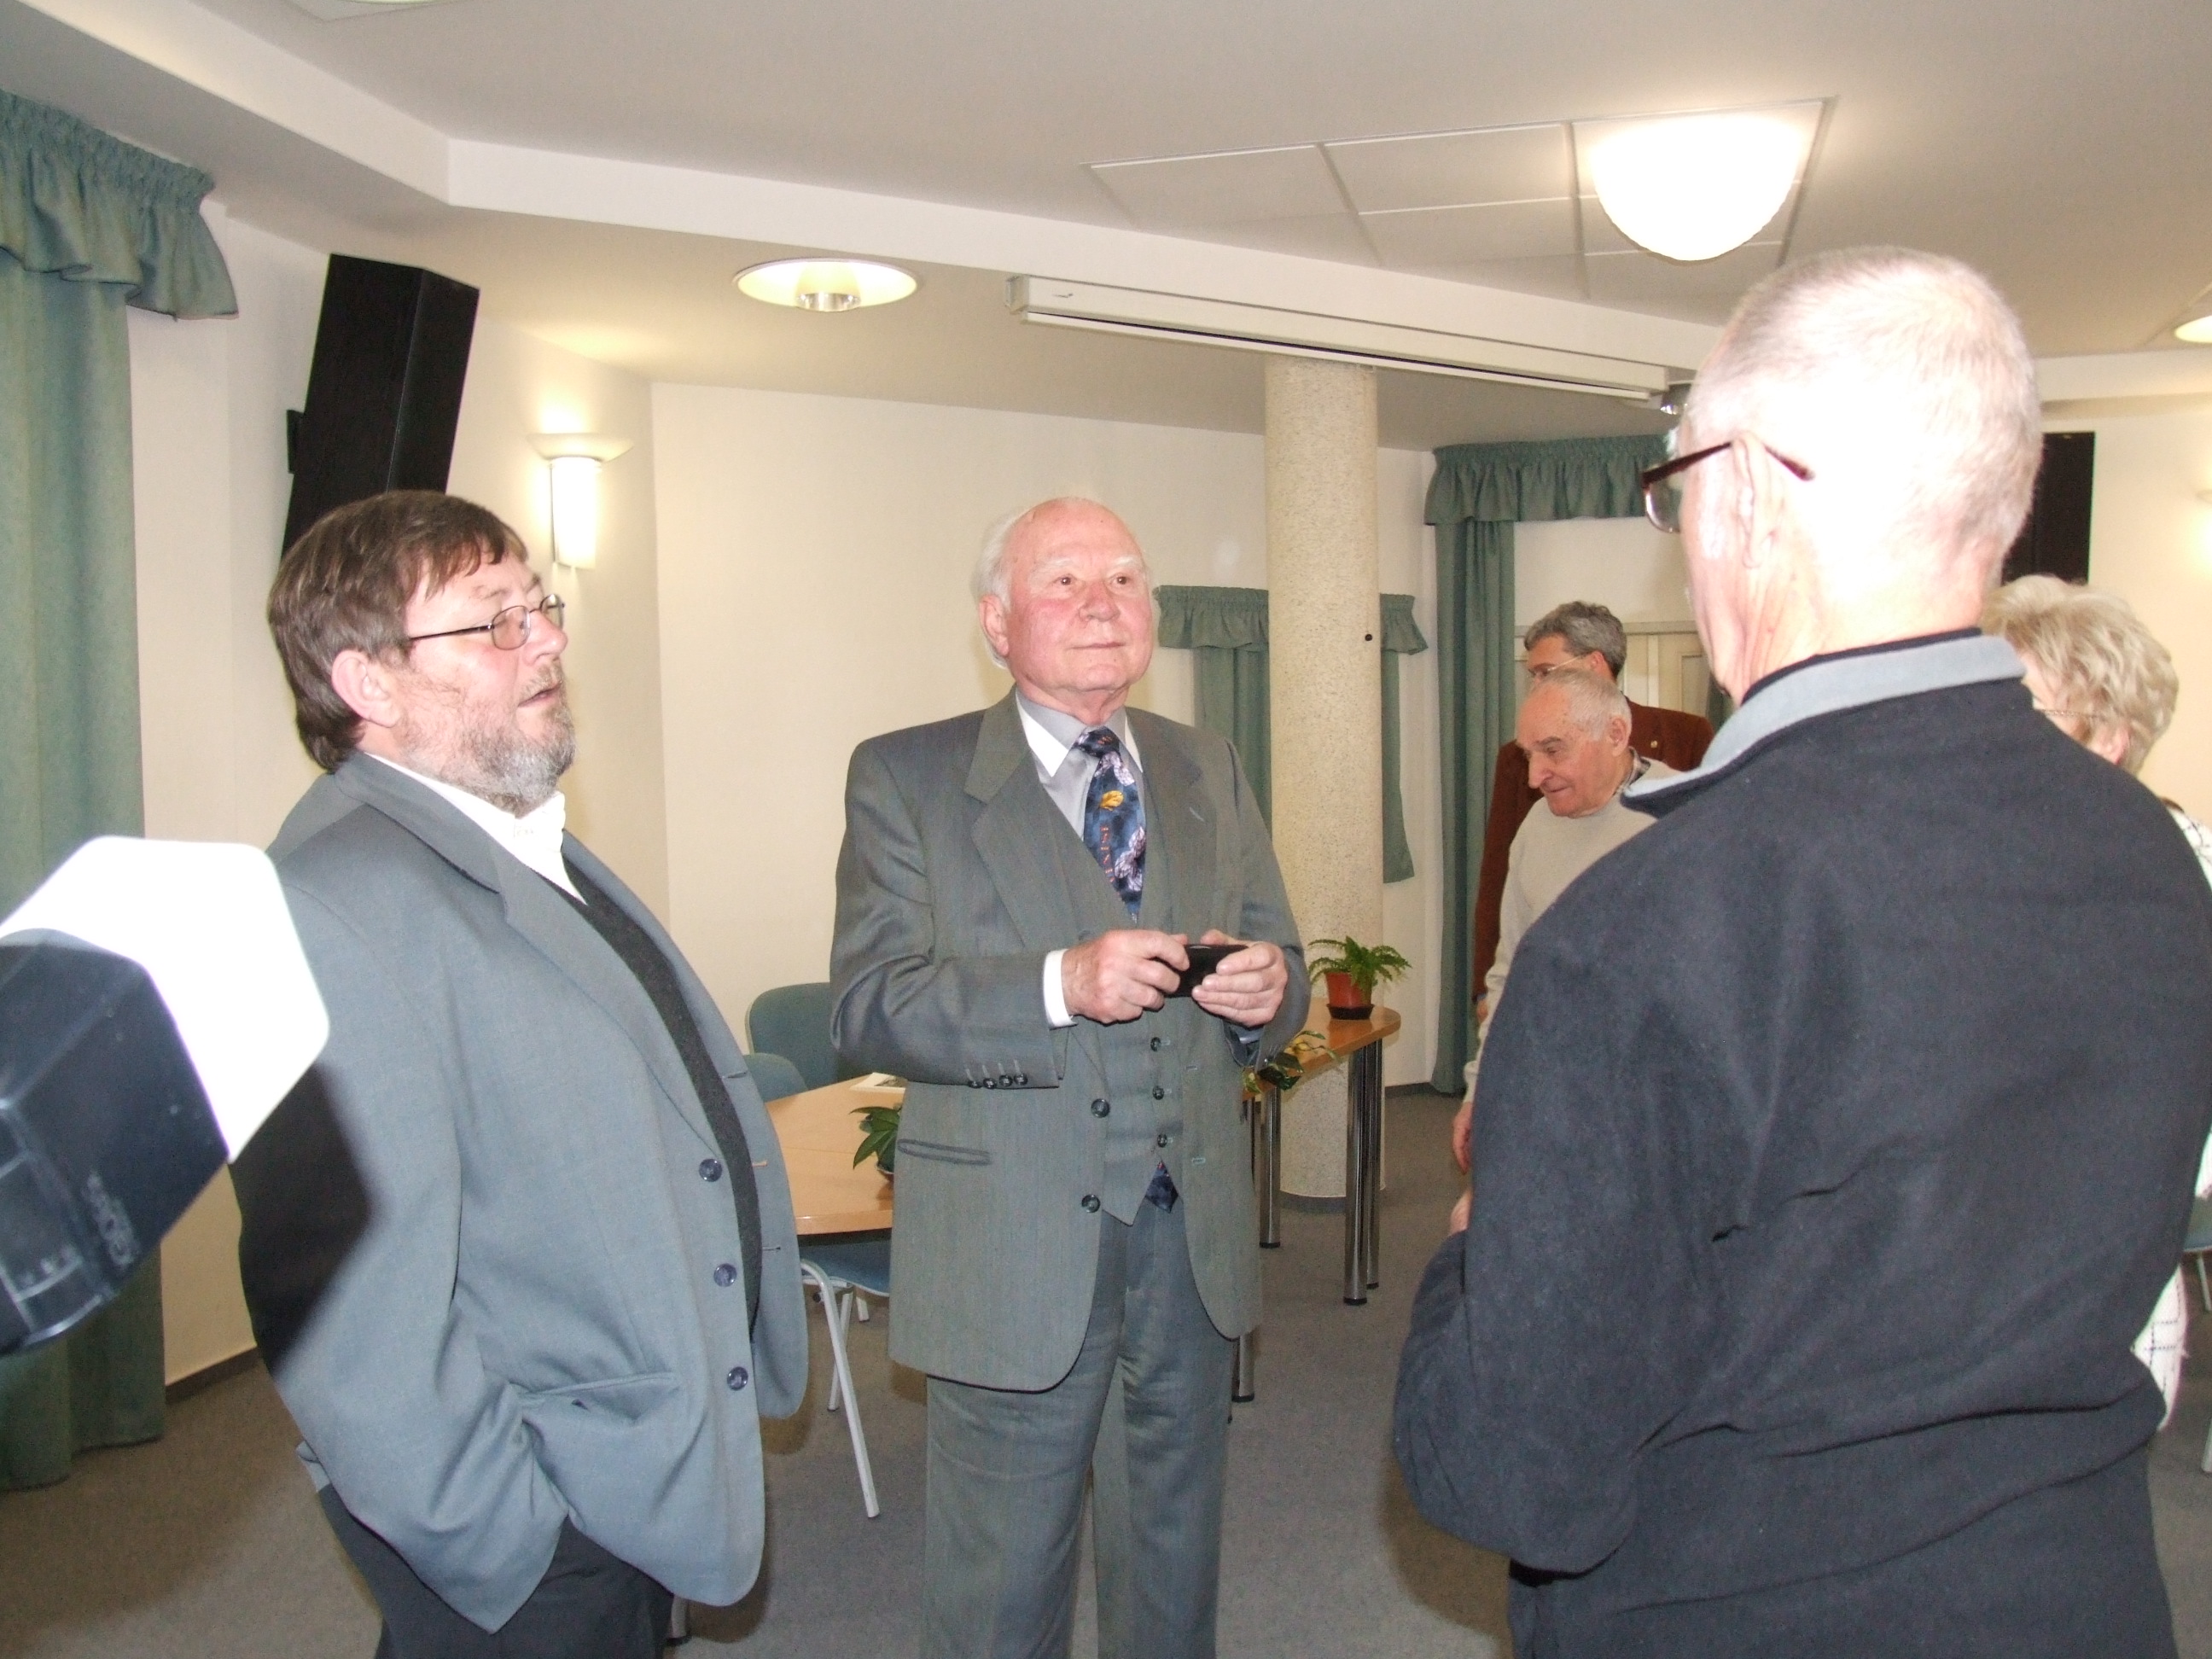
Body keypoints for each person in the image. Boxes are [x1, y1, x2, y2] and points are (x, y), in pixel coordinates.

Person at [1394, 247, 2212, 1658]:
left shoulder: (1650, 927)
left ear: (1749, 497)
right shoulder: (2151, 854)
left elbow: (1518, 1471)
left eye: (1678, 493)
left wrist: (1478, 1249)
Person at [233, 491, 806, 1659]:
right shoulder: (328, 902)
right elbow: (348, 1316)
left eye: (539, 606)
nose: (546, 639)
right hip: (529, 1529)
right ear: (369, 684)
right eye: (493, 620)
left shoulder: (512, 837)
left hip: (617, 1466)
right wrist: (515, 1541)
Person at [830, 496, 1303, 1659]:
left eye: (1127, 580)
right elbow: (868, 1004)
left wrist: (1267, 993)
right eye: (1065, 582)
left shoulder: (1206, 763)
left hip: (1188, 1243)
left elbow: (1281, 958)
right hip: (1013, 1250)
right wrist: (1056, 984)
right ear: (997, 622)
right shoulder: (907, 776)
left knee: (1174, 1564)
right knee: (1001, 1584)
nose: (1104, 604)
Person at [1982, 573, 2212, 1417]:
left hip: (2103, 1288)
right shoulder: (1967, 858)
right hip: (1955, 1282)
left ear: (2110, 734)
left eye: (2024, 711)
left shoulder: (2183, 866)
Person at [1449, 667, 1671, 1187]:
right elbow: (1508, 975)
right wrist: (1479, 1091)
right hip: (1548, 1098)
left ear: (1616, 733)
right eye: (1529, 754)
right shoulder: (1537, 825)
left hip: (1650, 1114)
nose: (1534, 777)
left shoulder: (1681, 818)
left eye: (1553, 750)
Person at [1471, 602, 1711, 1015]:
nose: (1536, 775)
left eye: (1547, 672)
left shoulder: (1683, 753)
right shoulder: (1524, 775)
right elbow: (1501, 882)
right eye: (1533, 676)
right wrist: (1486, 992)